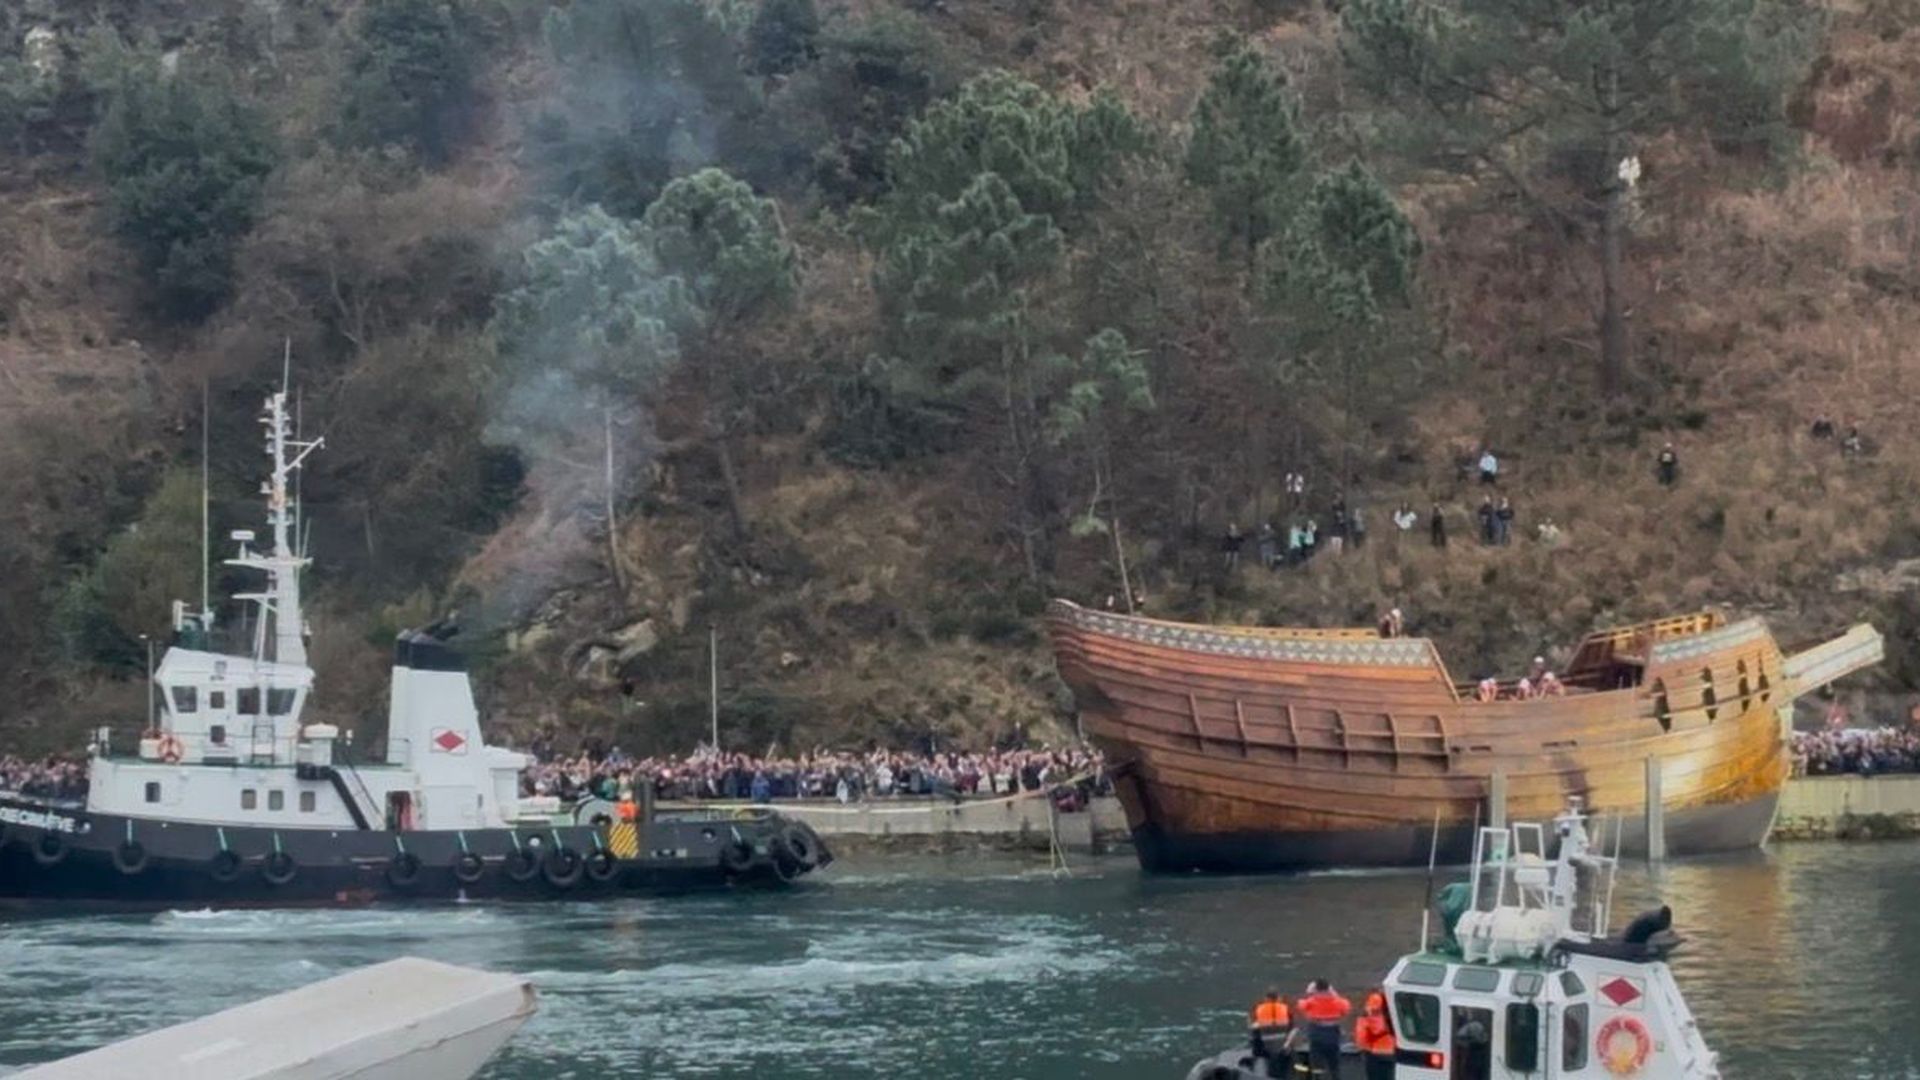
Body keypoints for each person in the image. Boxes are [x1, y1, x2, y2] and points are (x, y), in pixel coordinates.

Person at [1298, 980, 1352, 1079]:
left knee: (1316, 1063)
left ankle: (1317, 1077)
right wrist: (1334, 994)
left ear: (1316, 989)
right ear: (1329, 988)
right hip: (1332, 1033)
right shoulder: (1337, 1001)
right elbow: (1346, 1008)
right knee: (1334, 1063)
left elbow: (1301, 1005)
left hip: (1316, 1033)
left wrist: (1309, 993)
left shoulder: (1312, 1001)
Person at [1249, 988, 1293, 1072]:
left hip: (1265, 1045)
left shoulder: (1259, 1008)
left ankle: (1257, 1062)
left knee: (1255, 1033)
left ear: (1266, 998)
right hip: (1282, 1044)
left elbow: (1253, 1026)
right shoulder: (1285, 1008)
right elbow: (1291, 1025)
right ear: (1278, 998)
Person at [1354, 996, 1396, 1080]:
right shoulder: (1393, 1017)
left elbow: (1361, 1039)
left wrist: (1365, 1048)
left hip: (1374, 1054)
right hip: (1392, 1054)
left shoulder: (1365, 1019)